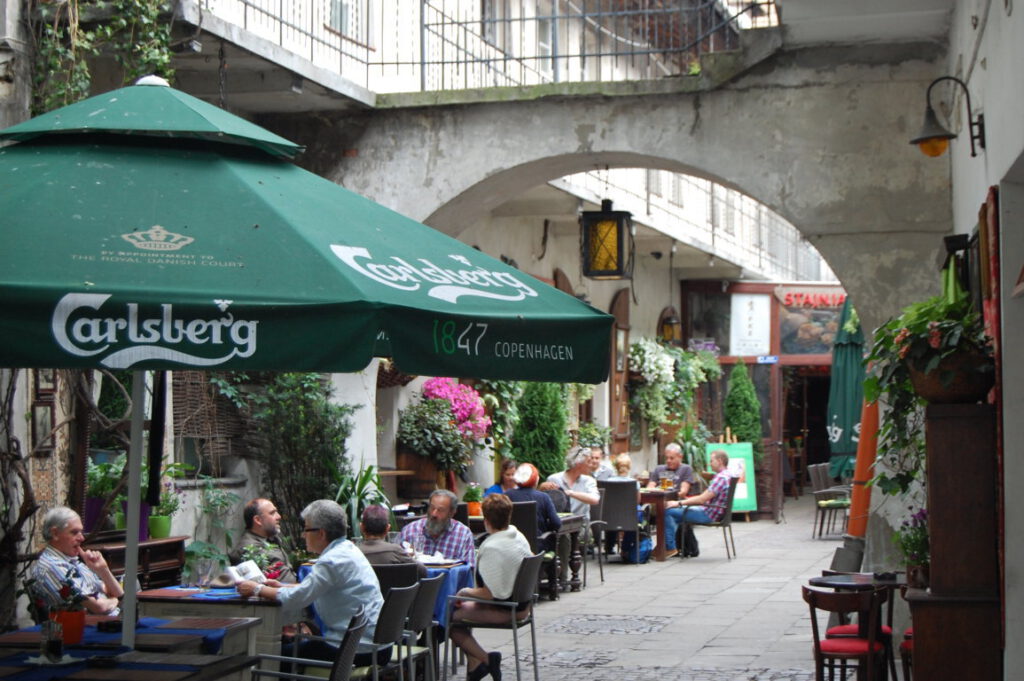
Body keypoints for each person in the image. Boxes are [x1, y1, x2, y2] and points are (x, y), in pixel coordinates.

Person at [236, 499, 387, 667]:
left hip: (356, 651)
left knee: (271, 659)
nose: (303, 535)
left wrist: (257, 588)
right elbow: (314, 589)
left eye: (306, 529)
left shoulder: (331, 561)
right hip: (374, 645)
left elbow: (297, 599)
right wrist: (282, 586)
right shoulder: (348, 549)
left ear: (321, 533)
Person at [449, 494, 532, 681]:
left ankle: (486, 659)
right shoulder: (518, 536)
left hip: (509, 609)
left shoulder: (493, 547)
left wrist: (464, 592)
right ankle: (475, 665)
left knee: (448, 616)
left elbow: (490, 593)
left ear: (485, 520)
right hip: (523, 604)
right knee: (454, 610)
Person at [31, 507, 124, 616]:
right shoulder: (51, 566)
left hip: (114, 620)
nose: (82, 538)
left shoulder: (73, 561)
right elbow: (99, 607)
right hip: (91, 628)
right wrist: (116, 600)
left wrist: (103, 570)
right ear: (55, 534)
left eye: (81, 532)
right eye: (74, 532)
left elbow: (117, 594)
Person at [539, 447, 599, 585]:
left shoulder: (588, 481)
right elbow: (542, 498)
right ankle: (545, 574)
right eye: (589, 461)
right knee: (550, 533)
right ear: (579, 464)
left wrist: (571, 493)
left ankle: (561, 578)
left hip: (582, 526)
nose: (592, 464)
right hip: (556, 523)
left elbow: (595, 500)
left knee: (563, 536)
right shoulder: (554, 478)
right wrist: (542, 487)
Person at [664, 449, 734, 558]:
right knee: (676, 515)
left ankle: (669, 548)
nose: (709, 464)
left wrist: (678, 503)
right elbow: (704, 498)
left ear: (719, 461)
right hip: (714, 511)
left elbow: (702, 500)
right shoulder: (728, 474)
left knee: (668, 512)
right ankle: (676, 547)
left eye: (711, 461)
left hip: (709, 514)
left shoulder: (721, 478)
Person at [398, 489, 476, 569]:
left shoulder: (463, 534)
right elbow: (398, 566)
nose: (434, 514)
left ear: (452, 513)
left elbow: (469, 569)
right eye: (432, 508)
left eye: (440, 510)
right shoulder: (410, 531)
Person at [229, 498, 295, 583]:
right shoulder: (250, 548)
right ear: (258, 520)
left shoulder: (270, 539)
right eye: (272, 513)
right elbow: (284, 580)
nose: (279, 516)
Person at [357, 504, 426, 577]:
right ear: (387, 528)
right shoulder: (395, 551)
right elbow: (422, 571)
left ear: (361, 527)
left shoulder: (355, 553)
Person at [505, 463, 562, 551]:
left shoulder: (507, 495)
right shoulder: (543, 497)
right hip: (538, 546)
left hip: (512, 545)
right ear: (536, 480)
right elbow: (557, 523)